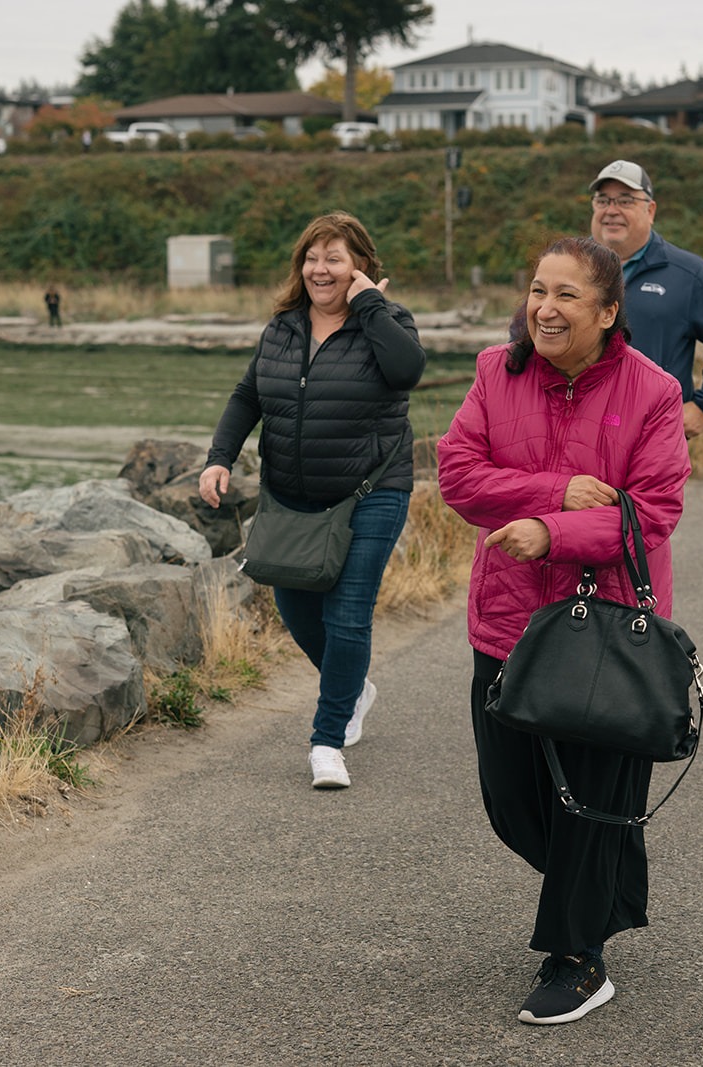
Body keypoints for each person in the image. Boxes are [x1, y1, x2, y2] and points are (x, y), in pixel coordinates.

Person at [438, 236, 690, 1025]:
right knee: (511, 797)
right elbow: (457, 474)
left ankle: (577, 954)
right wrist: (552, 494)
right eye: (537, 290)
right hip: (510, 620)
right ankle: (602, 880)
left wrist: (554, 534)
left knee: (589, 797)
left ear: (609, 312)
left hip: (606, 629)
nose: (544, 308)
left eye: (567, 295)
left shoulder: (651, 392)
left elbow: (653, 512)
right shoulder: (493, 370)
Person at [199, 211, 425, 789]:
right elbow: (249, 393)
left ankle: (327, 742)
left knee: (346, 614)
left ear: (361, 268)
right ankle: (352, 687)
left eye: (335, 258)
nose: (320, 269)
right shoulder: (283, 328)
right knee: (295, 611)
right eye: (312, 257)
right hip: (292, 495)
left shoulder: (388, 321)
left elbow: (407, 372)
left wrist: (370, 305)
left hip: (370, 490)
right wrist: (220, 457)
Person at [588, 158, 703, 439]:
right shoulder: (569, 267)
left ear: (650, 210)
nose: (611, 211)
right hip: (578, 434)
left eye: (625, 201)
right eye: (603, 200)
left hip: (652, 440)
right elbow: (526, 339)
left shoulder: (688, 274)